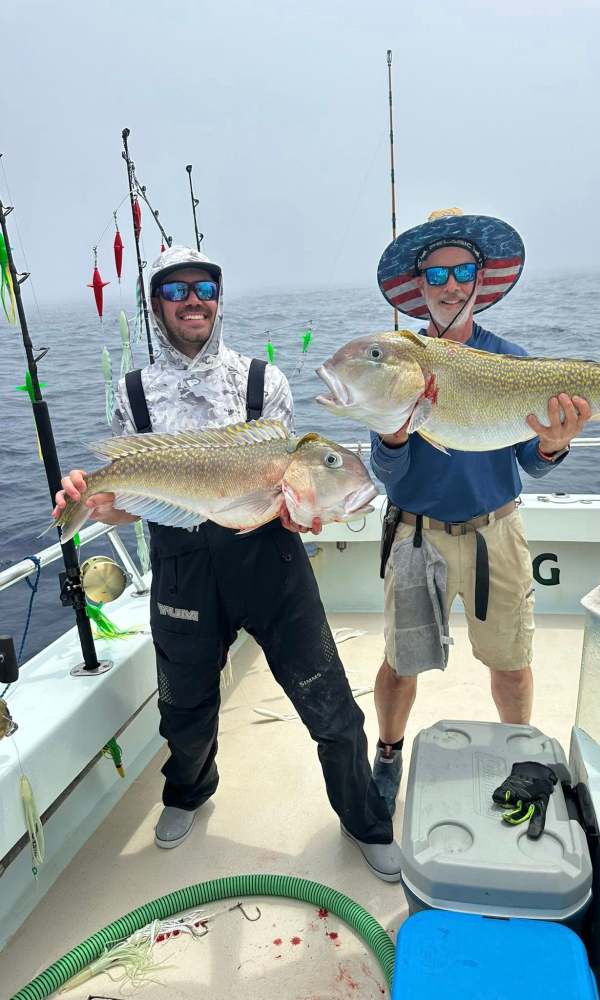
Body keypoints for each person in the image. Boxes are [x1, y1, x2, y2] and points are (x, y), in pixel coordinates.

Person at [53, 246, 399, 880]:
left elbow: (287, 487)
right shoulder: (134, 392)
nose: (193, 300)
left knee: (331, 705)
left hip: (270, 562)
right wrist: (97, 503)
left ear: (218, 297)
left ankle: (365, 819)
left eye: (204, 288)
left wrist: (306, 508)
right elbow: (136, 505)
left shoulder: (265, 382)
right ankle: (188, 792)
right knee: (184, 711)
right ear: (156, 304)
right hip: (182, 567)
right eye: (176, 290)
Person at [369, 209, 592, 814]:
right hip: (416, 535)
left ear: (480, 279)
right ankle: (388, 752)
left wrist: (554, 444)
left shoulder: (512, 361)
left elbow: (532, 462)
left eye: (462, 271)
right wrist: (392, 436)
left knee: (512, 665)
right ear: (419, 286)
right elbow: (387, 472)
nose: (450, 286)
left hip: (498, 532)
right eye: (436, 274)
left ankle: (521, 756)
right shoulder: (397, 361)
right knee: (401, 663)